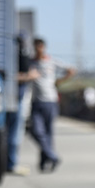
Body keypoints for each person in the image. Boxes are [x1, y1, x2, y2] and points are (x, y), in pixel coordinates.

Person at [28, 38, 75, 173]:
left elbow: (71, 70)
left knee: (48, 134)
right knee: (36, 131)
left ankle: (45, 161)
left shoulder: (51, 61)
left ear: (44, 47)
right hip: (36, 101)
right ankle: (52, 156)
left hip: (50, 100)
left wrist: (59, 81)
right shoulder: (32, 63)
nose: (38, 50)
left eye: (40, 47)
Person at [6, 35, 38, 175]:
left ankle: (9, 163)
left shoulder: (8, 54)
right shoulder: (20, 55)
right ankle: (11, 164)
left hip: (13, 98)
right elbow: (20, 76)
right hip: (14, 99)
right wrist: (28, 76)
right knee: (14, 134)